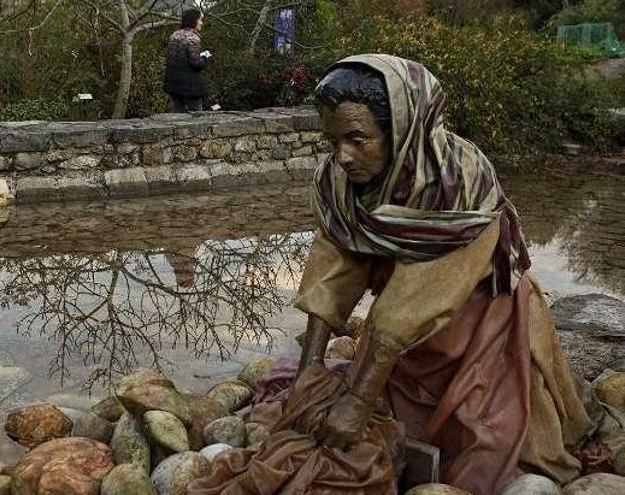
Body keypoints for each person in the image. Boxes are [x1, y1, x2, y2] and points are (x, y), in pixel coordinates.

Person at [189, 54, 594, 495]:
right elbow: (335, 264)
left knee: (486, 437)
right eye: (333, 141)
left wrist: (358, 401)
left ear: (402, 131)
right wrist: (311, 366)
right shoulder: (339, 180)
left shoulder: (459, 185)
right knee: (360, 414)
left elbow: (414, 302)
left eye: (357, 139)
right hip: (404, 342)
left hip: (480, 324)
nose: (342, 156)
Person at [164, 9, 210, 113]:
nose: (201, 23)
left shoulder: (174, 35)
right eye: (200, 20)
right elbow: (196, 63)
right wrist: (205, 57)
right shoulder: (192, 38)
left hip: (172, 81)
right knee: (196, 114)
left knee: (177, 112)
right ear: (194, 20)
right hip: (189, 85)